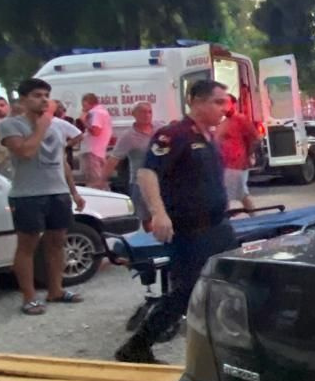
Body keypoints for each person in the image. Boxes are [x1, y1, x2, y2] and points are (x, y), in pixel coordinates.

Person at [114, 79, 237, 363]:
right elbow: (147, 173)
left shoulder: (207, 136)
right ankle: (137, 346)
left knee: (228, 281)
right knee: (187, 290)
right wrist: (158, 213)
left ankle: (221, 341)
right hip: (191, 232)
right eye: (218, 102)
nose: (224, 108)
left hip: (218, 226)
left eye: (225, 102)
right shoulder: (174, 134)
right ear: (195, 101)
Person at [0, 77, 86, 315]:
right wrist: (41, 126)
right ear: (24, 100)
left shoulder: (57, 125)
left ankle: (56, 290)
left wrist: (74, 191)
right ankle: (29, 297)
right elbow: (26, 151)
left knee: (57, 242)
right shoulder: (11, 125)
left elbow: (61, 162)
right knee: (27, 245)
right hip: (27, 195)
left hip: (57, 192)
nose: (44, 100)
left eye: (46, 95)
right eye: (37, 95)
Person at [108, 104, 156, 223]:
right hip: (139, 184)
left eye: (149, 112)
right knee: (143, 220)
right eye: (143, 112)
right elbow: (114, 159)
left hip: (161, 182)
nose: (147, 115)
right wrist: (101, 180)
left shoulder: (160, 129)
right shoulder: (128, 136)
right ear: (134, 114)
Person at [219, 94, 259, 214]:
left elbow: (256, 138)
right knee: (240, 194)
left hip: (236, 163)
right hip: (226, 163)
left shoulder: (240, 119)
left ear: (233, 104)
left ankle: (224, 221)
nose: (223, 107)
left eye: (226, 103)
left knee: (228, 194)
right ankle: (255, 217)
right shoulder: (224, 122)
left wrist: (248, 154)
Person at [78, 93, 113, 188]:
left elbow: (96, 131)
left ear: (87, 103)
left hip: (92, 151)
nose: (83, 108)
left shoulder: (95, 113)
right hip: (99, 151)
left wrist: (83, 120)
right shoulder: (102, 112)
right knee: (100, 180)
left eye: (84, 105)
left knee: (93, 182)